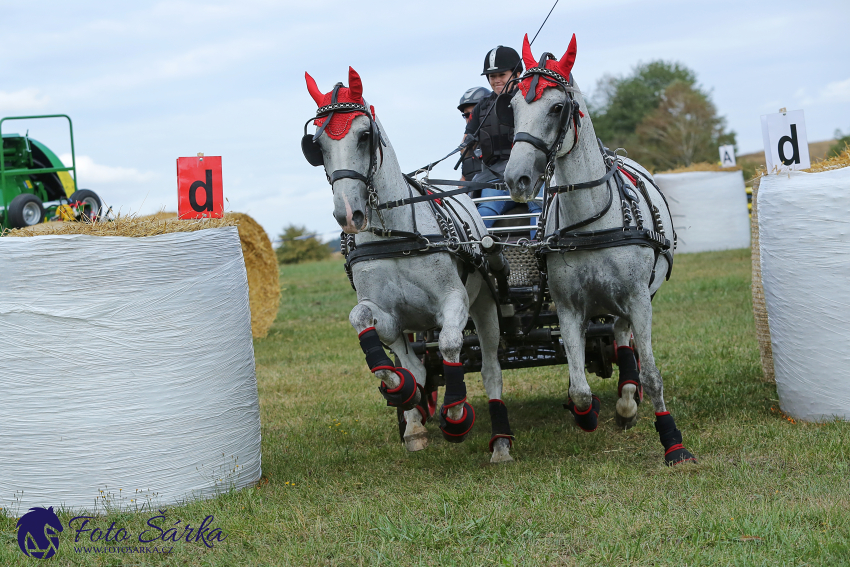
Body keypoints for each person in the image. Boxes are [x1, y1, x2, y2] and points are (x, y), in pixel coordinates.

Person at [463, 45, 542, 230]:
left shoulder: (531, 100)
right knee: (484, 213)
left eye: (502, 75)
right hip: (495, 178)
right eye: (492, 76)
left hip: (532, 175)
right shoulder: (481, 106)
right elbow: (467, 143)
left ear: (516, 74)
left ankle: (540, 255)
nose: (496, 81)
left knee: (539, 210)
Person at [457, 86, 491, 189]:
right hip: (472, 200)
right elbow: (464, 178)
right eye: (466, 115)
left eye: (474, 114)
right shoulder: (466, 147)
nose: (470, 118)